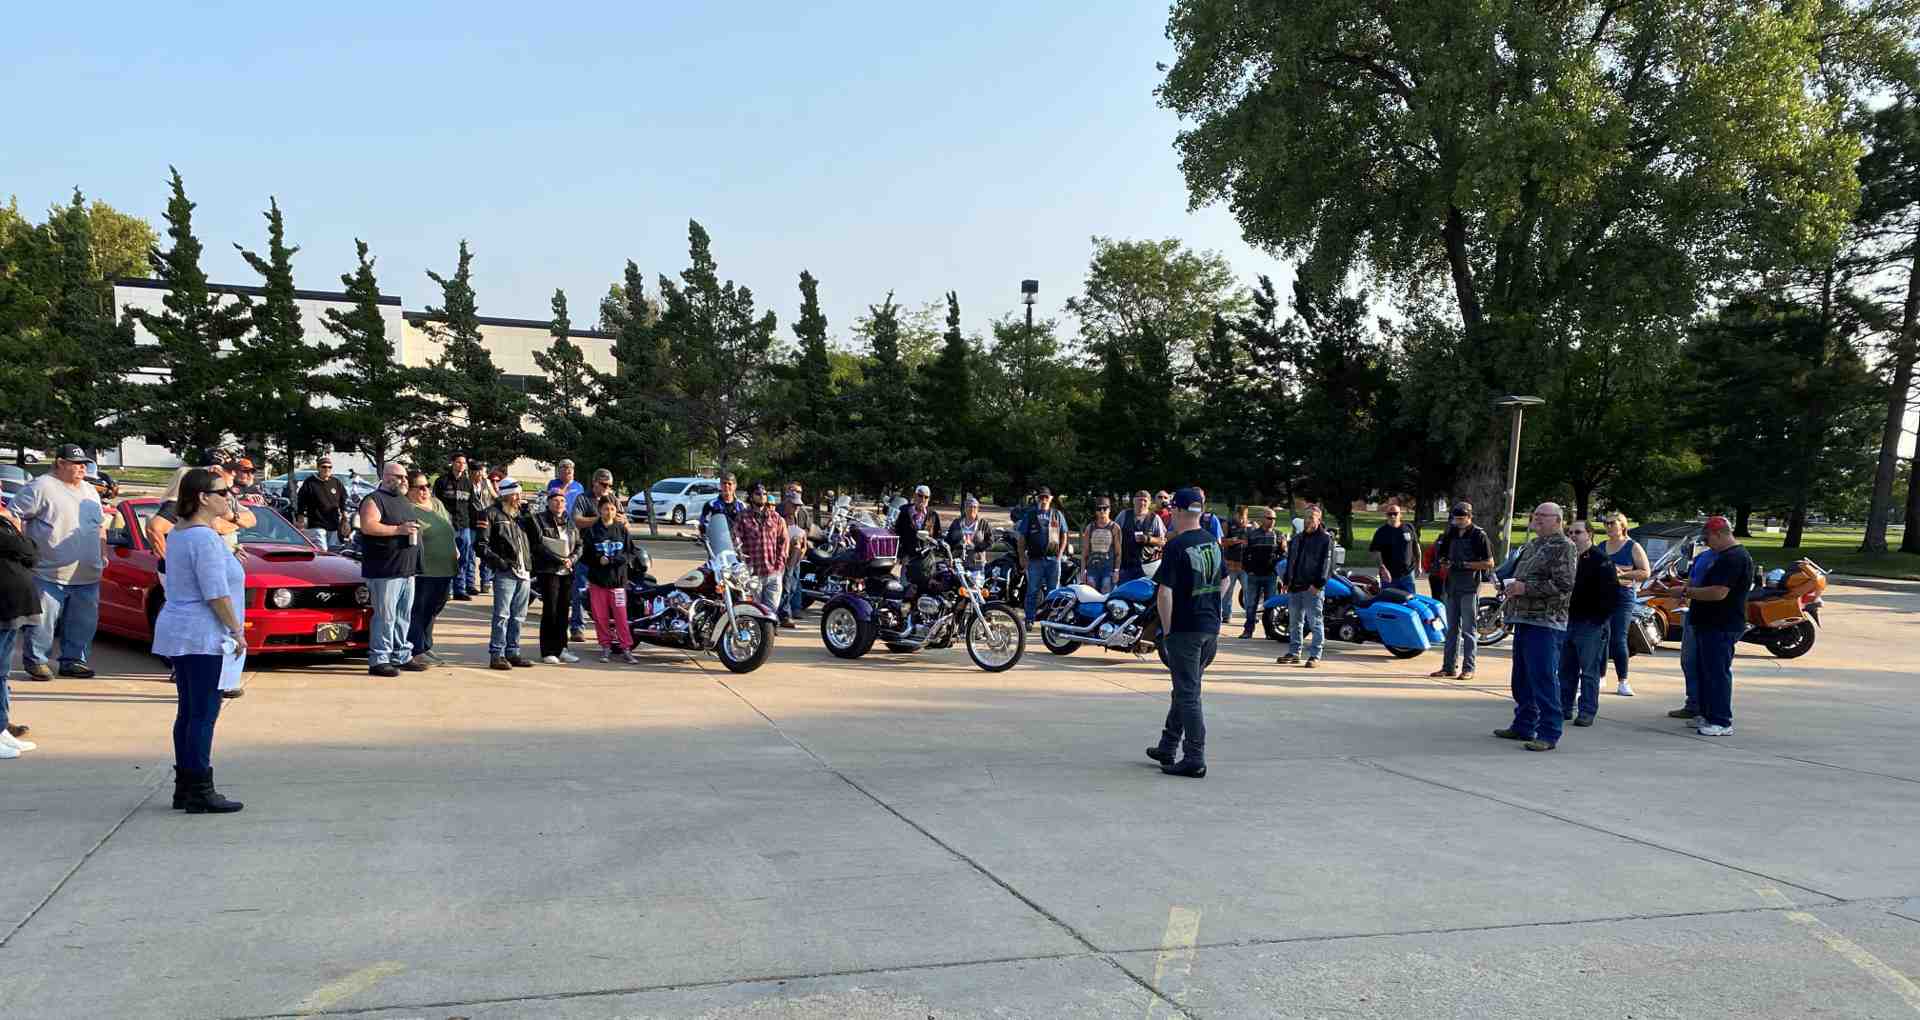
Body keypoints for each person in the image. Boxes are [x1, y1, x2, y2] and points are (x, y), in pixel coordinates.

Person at [149, 468, 245, 813]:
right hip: (202, 633)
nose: (227, 497)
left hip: (182, 629)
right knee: (203, 712)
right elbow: (215, 593)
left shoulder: (180, 533)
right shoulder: (203, 537)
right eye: (221, 492)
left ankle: (185, 787)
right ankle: (200, 790)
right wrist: (236, 629)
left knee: (189, 712)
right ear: (203, 497)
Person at [1146, 488, 1222, 779]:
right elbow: (1225, 581)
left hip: (1185, 629)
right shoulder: (1212, 542)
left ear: (1177, 511)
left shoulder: (1177, 546)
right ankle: (1167, 746)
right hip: (1209, 628)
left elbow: (1165, 593)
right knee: (1184, 688)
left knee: (1188, 694)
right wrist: (1210, 607)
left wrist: (1166, 630)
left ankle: (1194, 756)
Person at [15, 444, 108, 680]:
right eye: (76, 463)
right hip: (49, 572)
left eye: (84, 463)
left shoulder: (90, 490)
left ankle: (74, 660)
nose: (82, 468)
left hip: (88, 573)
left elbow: (99, 527)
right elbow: (13, 515)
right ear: (60, 463)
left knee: (83, 624)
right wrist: (22, 550)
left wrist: (103, 553)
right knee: (43, 622)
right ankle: (36, 661)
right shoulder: (41, 487)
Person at [1492, 503, 1576, 752]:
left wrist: (1525, 589)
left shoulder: (1564, 546)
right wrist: (1509, 584)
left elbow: (1564, 584)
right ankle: (1523, 725)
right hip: (1523, 618)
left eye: (1542, 515)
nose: (1536, 519)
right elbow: (1521, 575)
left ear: (1558, 520)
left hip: (1547, 622)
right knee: (1522, 678)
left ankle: (1549, 732)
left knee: (1543, 677)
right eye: (1535, 514)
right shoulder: (1532, 545)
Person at [1667, 516, 1752, 736]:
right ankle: (1706, 714)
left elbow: (1718, 592)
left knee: (1717, 672)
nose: (1706, 543)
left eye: (1707, 538)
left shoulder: (1734, 558)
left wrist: (1685, 592)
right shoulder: (1721, 556)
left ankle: (1721, 721)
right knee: (1704, 671)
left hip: (1722, 623)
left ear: (1719, 534)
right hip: (1707, 622)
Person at [358, 462, 424, 678]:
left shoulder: (403, 500)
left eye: (405, 477)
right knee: (385, 616)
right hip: (384, 569)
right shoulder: (373, 499)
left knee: (403, 615)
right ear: (386, 477)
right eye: (400, 477)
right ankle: (379, 659)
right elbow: (368, 525)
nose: (405, 480)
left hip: (406, 569)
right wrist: (398, 529)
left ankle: (401, 654)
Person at [1559, 520, 1616, 728]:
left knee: (1589, 671)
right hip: (1567, 621)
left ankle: (1587, 711)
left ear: (1589, 534)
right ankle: (1564, 707)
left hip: (1590, 624)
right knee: (1565, 669)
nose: (1573, 535)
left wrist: (1599, 620)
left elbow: (1611, 595)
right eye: (1570, 532)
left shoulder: (1601, 560)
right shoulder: (1568, 558)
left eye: (1578, 532)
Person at [1429, 502, 1495, 681]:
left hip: (1469, 587)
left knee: (1468, 630)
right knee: (1451, 629)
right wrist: (1443, 562)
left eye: (1461, 518)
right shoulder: (1450, 533)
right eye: (1455, 518)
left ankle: (1468, 668)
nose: (1458, 522)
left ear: (1469, 517)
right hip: (1451, 586)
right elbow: (1442, 555)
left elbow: (1489, 563)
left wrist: (1465, 565)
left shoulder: (1479, 535)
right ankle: (1448, 667)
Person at [0, 500, 43, 758]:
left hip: (13, 607)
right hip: (2, 606)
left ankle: (2, 728)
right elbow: (22, 548)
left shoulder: (4, 522)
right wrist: (17, 535)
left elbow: (33, 553)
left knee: (2, 672)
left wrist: (15, 530)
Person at [478, 479, 535, 670]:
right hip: (506, 572)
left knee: (519, 616)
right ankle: (497, 654)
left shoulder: (520, 516)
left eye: (519, 494)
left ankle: (513, 651)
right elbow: (481, 546)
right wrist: (500, 563)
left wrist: (529, 517)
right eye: (515, 494)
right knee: (502, 615)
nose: (518, 498)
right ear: (504, 494)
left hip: (524, 572)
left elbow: (536, 537)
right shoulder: (490, 514)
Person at [405, 471, 456, 666]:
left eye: (427, 486)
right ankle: (416, 649)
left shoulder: (437, 505)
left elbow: (448, 529)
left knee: (435, 608)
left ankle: (427, 645)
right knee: (420, 609)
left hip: (446, 567)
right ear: (409, 490)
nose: (425, 490)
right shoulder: (408, 509)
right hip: (425, 569)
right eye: (420, 487)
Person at [582, 494, 639, 663]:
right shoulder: (592, 531)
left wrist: (614, 560)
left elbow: (631, 553)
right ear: (600, 510)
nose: (609, 512)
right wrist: (597, 559)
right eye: (606, 508)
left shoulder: (621, 530)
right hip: (598, 582)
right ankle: (605, 647)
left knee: (621, 616)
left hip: (618, 583)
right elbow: (584, 555)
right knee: (600, 617)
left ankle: (626, 648)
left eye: (613, 509)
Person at [1600, 512, 1650, 696]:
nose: (1608, 526)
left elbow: (1645, 572)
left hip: (1623, 596)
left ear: (1622, 525)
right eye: (1606, 523)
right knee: (1602, 636)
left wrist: (1622, 574)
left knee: (1618, 638)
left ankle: (1623, 681)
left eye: (1612, 523)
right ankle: (1600, 677)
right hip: (1603, 596)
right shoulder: (1601, 546)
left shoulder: (1632, 546)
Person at [1278, 505, 1334, 667]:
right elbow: (1291, 561)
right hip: (1295, 586)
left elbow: (1327, 564)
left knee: (1315, 622)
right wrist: (1287, 580)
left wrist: (1318, 584)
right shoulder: (1297, 538)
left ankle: (1315, 655)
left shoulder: (1325, 539)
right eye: (1306, 516)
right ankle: (1294, 652)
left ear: (1319, 519)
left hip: (1312, 588)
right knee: (1295, 622)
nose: (1308, 520)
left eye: (1312, 517)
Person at [530, 488, 580, 664]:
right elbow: (538, 546)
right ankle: (548, 650)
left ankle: (562, 648)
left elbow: (579, 545)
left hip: (567, 571)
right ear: (549, 502)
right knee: (550, 610)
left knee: (563, 611)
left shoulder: (569, 521)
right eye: (555, 501)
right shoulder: (540, 520)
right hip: (549, 570)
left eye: (562, 501)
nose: (559, 504)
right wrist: (559, 559)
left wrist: (571, 560)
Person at [567, 468, 616, 641]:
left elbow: (622, 519)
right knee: (580, 590)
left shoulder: (611, 498)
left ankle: (608, 630)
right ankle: (577, 628)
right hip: (586, 551)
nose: (607, 488)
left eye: (609, 485)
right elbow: (577, 520)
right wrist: (600, 519)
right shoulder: (583, 498)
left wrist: (622, 521)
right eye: (604, 484)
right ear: (595, 482)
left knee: (608, 592)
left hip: (608, 553)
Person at [1015, 486, 1069, 627]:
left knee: (1054, 591)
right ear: (1038, 499)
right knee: (1032, 590)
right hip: (1035, 560)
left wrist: (1060, 554)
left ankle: (1051, 621)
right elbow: (1022, 537)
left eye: (1046, 497)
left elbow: (1064, 534)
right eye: (1041, 497)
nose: (1043, 499)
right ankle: (1030, 619)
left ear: (1051, 499)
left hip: (1053, 560)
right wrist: (1021, 556)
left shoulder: (1057, 514)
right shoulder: (1030, 515)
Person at [737, 483, 790, 615]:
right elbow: (736, 540)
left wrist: (779, 565)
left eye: (764, 494)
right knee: (755, 613)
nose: (762, 496)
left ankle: (770, 634)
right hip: (753, 574)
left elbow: (783, 542)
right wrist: (743, 562)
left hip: (773, 573)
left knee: (771, 613)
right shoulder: (742, 517)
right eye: (758, 493)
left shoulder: (776, 517)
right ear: (750, 497)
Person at [434, 454, 476, 602]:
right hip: (447, 526)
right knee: (448, 558)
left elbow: (472, 505)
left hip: (464, 526)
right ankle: (448, 590)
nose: (461, 465)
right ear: (452, 463)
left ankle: (460, 589)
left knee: (463, 559)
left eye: (463, 463)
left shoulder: (468, 483)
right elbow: (435, 505)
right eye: (458, 462)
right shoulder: (441, 482)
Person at [1238, 508, 1283, 639]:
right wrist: (1248, 570)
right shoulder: (1252, 535)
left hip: (1271, 576)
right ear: (1263, 519)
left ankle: (1269, 632)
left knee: (1270, 605)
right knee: (1251, 604)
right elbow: (1245, 554)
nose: (1272, 521)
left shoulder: (1278, 535)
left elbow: (1283, 555)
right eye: (1269, 518)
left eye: (1274, 519)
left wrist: (1276, 570)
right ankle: (1248, 630)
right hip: (1254, 575)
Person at [295, 455, 352, 551]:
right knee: (322, 550)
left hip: (333, 523)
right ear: (318, 468)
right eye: (324, 467)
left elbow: (343, 502)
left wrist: (345, 520)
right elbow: (301, 501)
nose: (327, 469)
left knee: (333, 551)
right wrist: (300, 519)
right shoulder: (310, 482)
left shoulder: (336, 482)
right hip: (316, 524)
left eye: (329, 467)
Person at [893, 484, 943, 592]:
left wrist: (934, 549)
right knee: (906, 591)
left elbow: (937, 536)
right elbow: (897, 535)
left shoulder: (933, 515)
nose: (923, 499)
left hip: (926, 562)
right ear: (915, 496)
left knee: (924, 591)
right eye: (920, 496)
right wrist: (901, 556)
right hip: (909, 559)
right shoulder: (904, 513)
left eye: (926, 497)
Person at [778, 483, 812, 626]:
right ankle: (783, 614)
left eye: (798, 505)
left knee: (792, 584)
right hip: (782, 555)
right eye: (793, 505)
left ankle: (790, 610)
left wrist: (802, 549)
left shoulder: (803, 513)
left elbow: (806, 532)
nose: (796, 507)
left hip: (796, 555)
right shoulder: (778, 512)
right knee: (784, 585)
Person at [1369, 502, 1421, 594]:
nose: (1392, 516)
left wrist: (1419, 565)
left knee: (1410, 602)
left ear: (1400, 515)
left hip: (1408, 574)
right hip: (1389, 576)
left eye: (1395, 514)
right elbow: (1375, 552)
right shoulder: (1381, 532)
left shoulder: (1409, 528)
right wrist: (1382, 569)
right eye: (1390, 514)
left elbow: (1416, 548)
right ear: (1386, 516)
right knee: (1389, 603)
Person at [1116, 490, 1166, 584]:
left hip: (1146, 566)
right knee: (1124, 594)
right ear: (1134, 501)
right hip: (1125, 566)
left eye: (1145, 500)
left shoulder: (1155, 518)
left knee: (1145, 596)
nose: (1142, 503)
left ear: (1149, 502)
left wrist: (1148, 539)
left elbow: (1163, 541)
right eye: (1139, 500)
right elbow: (1114, 536)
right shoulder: (1123, 515)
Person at [1079, 497, 1122, 593]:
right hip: (1092, 569)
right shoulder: (1090, 527)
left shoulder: (1115, 527)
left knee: (1105, 596)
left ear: (1109, 510)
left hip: (1108, 569)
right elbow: (1085, 551)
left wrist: (1116, 570)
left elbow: (1118, 552)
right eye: (1099, 509)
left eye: (1105, 508)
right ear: (1096, 511)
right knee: (1091, 596)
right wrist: (1083, 571)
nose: (1102, 511)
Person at [467, 460, 495, 595]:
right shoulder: (467, 484)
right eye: (478, 471)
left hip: (485, 522)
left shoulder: (486, 483)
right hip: (471, 522)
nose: (481, 474)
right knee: (470, 554)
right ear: (472, 472)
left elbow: (495, 497)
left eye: (482, 471)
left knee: (486, 552)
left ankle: (486, 581)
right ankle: (470, 583)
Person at [947, 496, 993, 572]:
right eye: (969, 506)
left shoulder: (983, 523)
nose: (972, 509)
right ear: (965, 508)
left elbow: (990, 541)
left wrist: (976, 547)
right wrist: (958, 545)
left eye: (974, 507)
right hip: (957, 563)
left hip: (977, 564)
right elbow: (949, 539)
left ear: (978, 509)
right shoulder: (956, 523)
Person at [1220, 506, 1248, 623]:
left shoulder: (1250, 526)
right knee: (1228, 591)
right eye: (1240, 516)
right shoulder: (1227, 524)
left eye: (1244, 516)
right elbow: (1221, 541)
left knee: (1248, 591)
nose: (1242, 519)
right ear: (1235, 514)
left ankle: (1250, 615)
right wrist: (1232, 541)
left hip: (1244, 565)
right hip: (1230, 564)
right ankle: (1226, 615)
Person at [699, 472, 745, 540]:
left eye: (729, 484)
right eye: (724, 483)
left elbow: (745, 526)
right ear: (720, 485)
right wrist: (706, 532)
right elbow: (703, 523)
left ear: (735, 486)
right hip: (717, 542)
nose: (726, 486)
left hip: (736, 543)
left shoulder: (741, 506)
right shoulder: (710, 505)